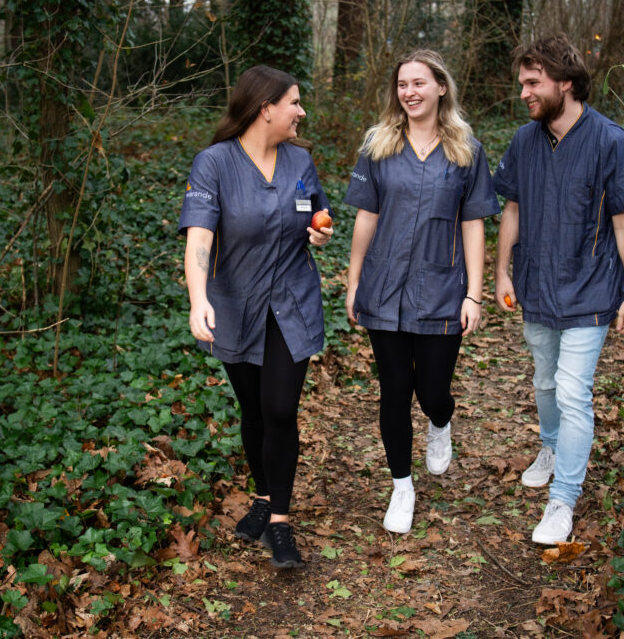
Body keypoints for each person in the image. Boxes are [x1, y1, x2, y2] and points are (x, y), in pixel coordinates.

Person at [493, 34, 624, 545]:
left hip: (590, 290)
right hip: (536, 286)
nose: (524, 93)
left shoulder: (611, 142)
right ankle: (552, 446)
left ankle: (563, 500)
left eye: (533, 83)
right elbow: (510, 209)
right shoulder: (523, 141)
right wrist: (502, 272)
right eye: (522, 83)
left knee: (572, 391)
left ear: (566, 82)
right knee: (544, 383)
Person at [179, 66, 333, 568]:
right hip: (235, 306)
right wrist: (198, 297)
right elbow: (199, 238)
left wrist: (319, 231)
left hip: (291, 302)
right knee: (253, 409)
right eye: (294, 101)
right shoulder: (213, 164)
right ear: (266, 107)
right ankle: (265, 497)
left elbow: (317, 212)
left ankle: (281, 524)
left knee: (280, 409)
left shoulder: (300, 160)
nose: (301, 111)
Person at [345, 50, 500, 534]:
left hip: (440, 290)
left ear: (440, 88)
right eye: (401, 85)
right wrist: (353, 282)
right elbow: (365, 217)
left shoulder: (466, 150)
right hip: (384, 287)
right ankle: (402, 487)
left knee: (432, 391)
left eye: (418, 83)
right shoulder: (378, 147)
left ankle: (440, 422)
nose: (409, 92)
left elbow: (473, 224)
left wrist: (474, 294)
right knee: (394, 391)